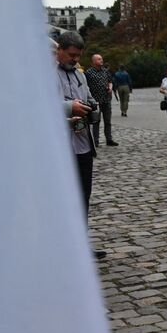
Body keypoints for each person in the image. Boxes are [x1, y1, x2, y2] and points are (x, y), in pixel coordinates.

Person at [55, 32, 106, 259]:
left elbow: (86, 97)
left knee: (83, 196)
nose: (75, 60)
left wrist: (92, 106)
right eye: (71, 55)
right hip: (60, 148)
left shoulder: (80, 75)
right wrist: (69, 108)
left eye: (78, 56)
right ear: (60, 50)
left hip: (83, 143)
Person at [85, 54, 118, 147]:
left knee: (108, 121)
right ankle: (96, 141)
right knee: (96, 121)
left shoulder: (105, 71)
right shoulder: (88, 73)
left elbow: (110, 81)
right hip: (96, 101)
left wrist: (110, 87)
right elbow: (85, 87)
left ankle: (109, 139)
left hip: (106, 100)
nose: (101, 60)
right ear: (94, 61)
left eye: (101, 59)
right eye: (99, 59)